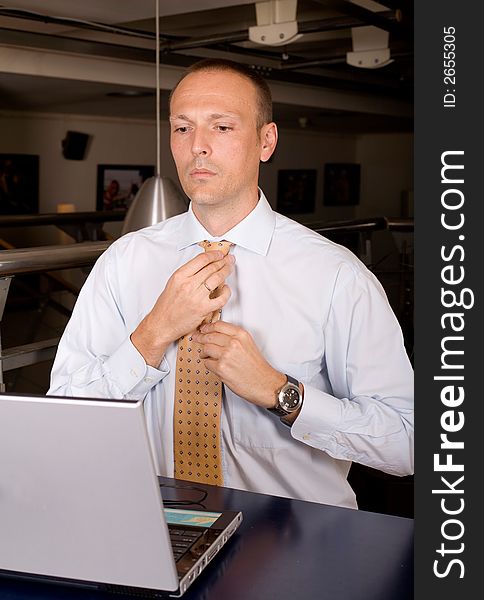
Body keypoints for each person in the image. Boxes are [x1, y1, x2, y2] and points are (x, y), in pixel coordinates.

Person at [48, 58, 413, 509]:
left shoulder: (337, 275)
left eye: (221, 127)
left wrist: (281, 393)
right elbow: (63, 417)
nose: (197, 146)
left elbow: (407, 443)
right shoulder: (124, 261)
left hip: (295, 544)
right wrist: (153, 334)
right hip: (151, 529)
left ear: (266, 141)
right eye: (182, 129)